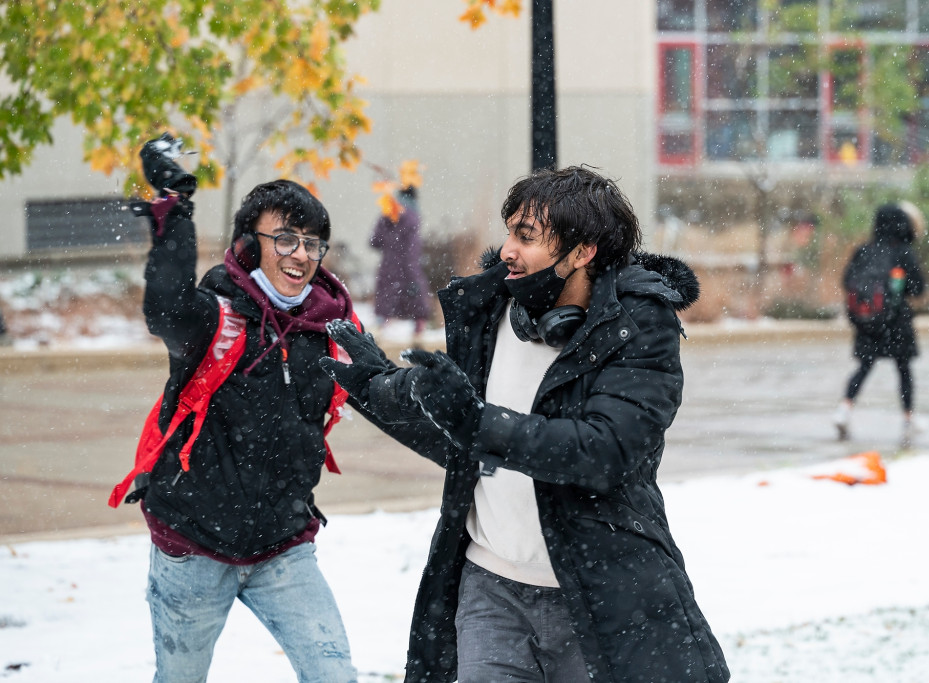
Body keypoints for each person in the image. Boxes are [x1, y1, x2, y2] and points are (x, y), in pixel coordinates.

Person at [321, 166, 730, 682]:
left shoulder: (639, 327)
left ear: (583, 252)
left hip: (597, 594)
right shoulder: (491, 313)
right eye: (509, 231)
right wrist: (376, 386)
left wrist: (477, 422)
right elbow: (459, 434)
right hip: (489, 591)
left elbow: (602, 451)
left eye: (527, 236)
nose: (507, 249)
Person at [122, 134, 360, 681]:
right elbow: (166, 307)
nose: (301, 253)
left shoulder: (327, 332)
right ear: (249, 246)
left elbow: (387, 396)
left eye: (312, 242)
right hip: (192, 548)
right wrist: (177, 208)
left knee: (336, 676)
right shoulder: (215, 319)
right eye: (285, 238)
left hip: (283, 548)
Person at [834, 201, 927, 445]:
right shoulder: (903, 252)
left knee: (864, 367)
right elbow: (918, 288)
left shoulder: (863, 250)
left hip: (868, 320)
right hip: (896, 321)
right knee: (904, 370)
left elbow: (846, 282)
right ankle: (908, 418)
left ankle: (844, 409)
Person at [370, 185, 432, 344]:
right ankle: (418, 335)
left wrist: (389, 244)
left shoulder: (388, 213)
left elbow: (374, 241)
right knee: (416, 301)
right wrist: (413, 273)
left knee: (385, 301)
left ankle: (378, 336)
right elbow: (412, 249)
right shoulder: (412, 217)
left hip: (388, 266)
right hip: (407, 266)